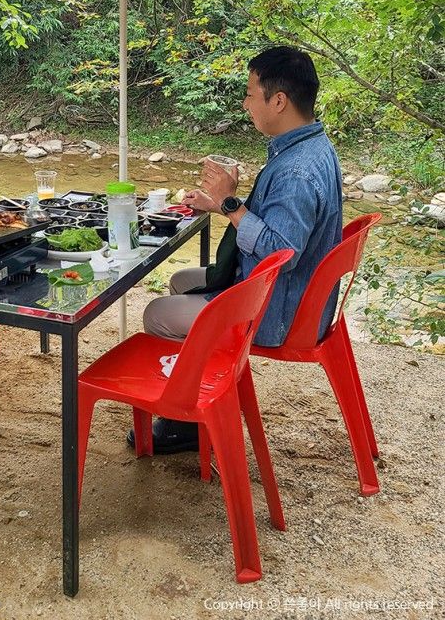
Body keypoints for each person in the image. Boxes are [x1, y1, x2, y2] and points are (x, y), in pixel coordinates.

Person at [130, 45, 343, 454]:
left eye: (250, 93)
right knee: (181, 280)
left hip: (280, 309)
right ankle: (203, 389)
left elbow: (281, 252)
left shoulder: (297, 169)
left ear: (278, 100)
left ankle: (185, 423)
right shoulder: (311, 145)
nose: (245, 104)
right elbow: (283, 224)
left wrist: (231, 203)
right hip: (296, 294)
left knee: (157, 313)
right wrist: (224, 204)